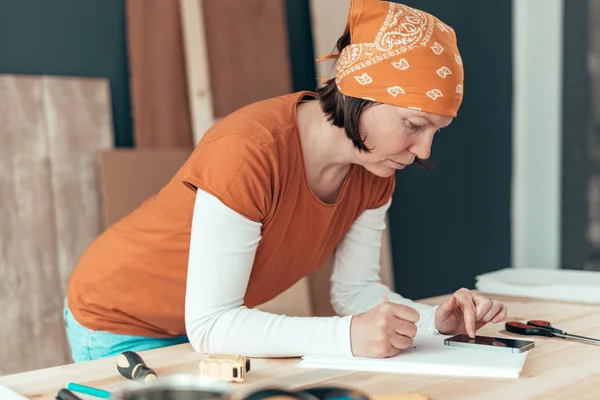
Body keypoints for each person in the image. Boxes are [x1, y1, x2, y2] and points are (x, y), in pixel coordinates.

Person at [65, 0, 507, 362]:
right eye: (414, 124)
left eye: (435, 132)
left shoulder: (376, 170)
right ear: (359, 94)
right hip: (119, 319)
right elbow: (213, 324)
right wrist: (349, 337)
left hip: (196, 328)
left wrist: (434, 321)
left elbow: (355, 292)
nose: (425, 150)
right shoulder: (248, 151)